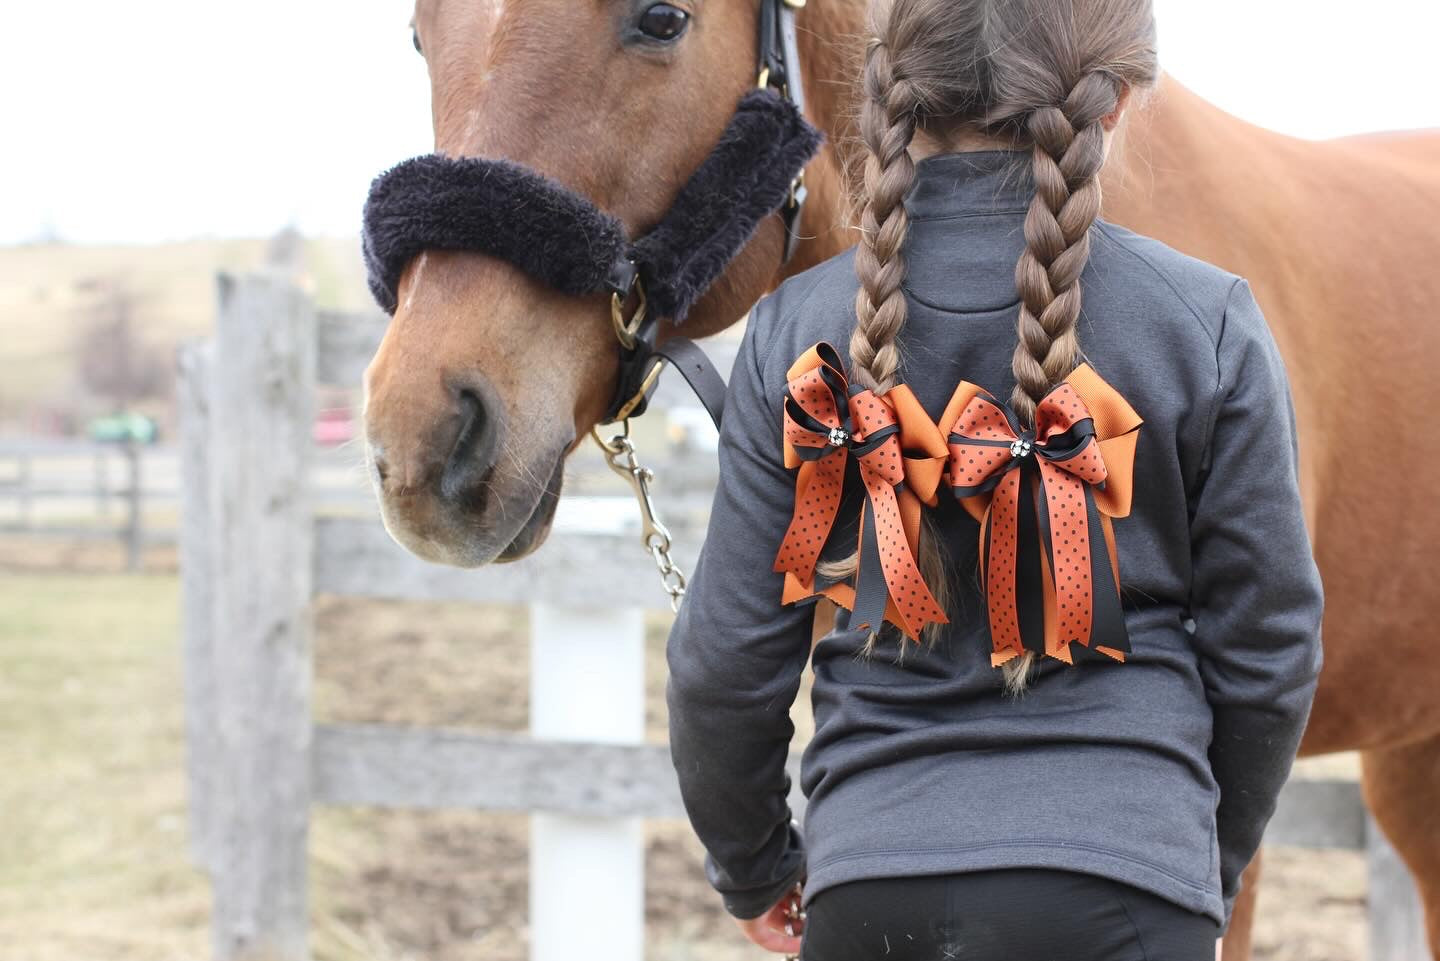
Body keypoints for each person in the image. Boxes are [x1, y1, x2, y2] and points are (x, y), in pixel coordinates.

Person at [664, 0, 1324, 958]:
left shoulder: (793, 332)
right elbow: (1270, 651)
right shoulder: (1208, 324)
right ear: (1121, 96)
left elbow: (724, 663)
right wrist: (1194, 866)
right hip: (1131, 888)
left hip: (870, 882)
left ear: (891, 90)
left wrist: (756, 864)